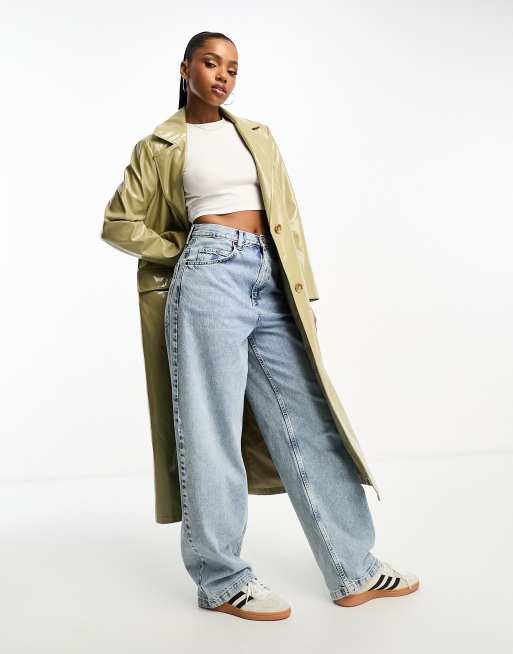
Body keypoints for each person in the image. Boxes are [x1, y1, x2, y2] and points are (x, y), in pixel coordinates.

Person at [103, 31, 420, 621]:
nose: (222, 75)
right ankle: (223, 580)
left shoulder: (257, 135)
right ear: (185, 69)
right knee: (210, 429)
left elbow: (288, 216)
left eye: (232, 68)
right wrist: (184, 249)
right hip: (207, 278)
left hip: (271, 278)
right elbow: (119, 221)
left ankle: (353, 567)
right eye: (211, 63)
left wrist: (303, 292)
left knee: (310, 421)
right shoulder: (160, 144)